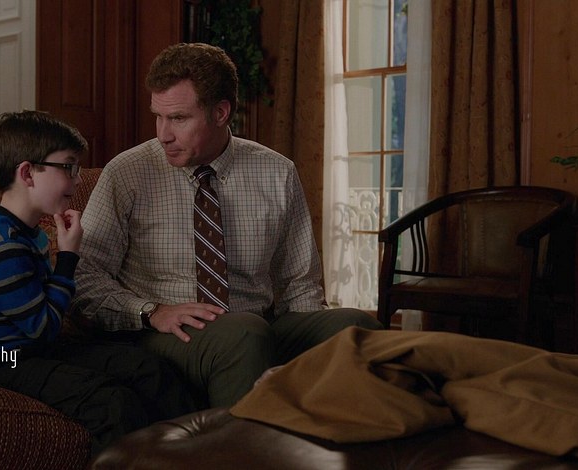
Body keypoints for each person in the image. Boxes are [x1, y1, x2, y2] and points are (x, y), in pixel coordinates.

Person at [74, 43, 382, 408]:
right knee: (244, 334)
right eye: (158, 116)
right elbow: (85, 277)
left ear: (220, 113)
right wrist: (151, 311)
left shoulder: (277, 172)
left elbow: (299, 285)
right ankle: (237, 442)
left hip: (257, 324)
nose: (163, 134)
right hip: (167, 332)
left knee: (356, 329)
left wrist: (313, 345)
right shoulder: (127, 173)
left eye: (178, 118)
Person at [0, 110, 196, 454]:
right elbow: (45, 327)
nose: (78, 180)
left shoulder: (28, 231)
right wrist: (67, 257)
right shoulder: (1, 247)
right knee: (112, 403)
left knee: (148, 369)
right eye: (68, 167)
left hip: (33, 350)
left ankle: (198, 455)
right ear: (27, 173)